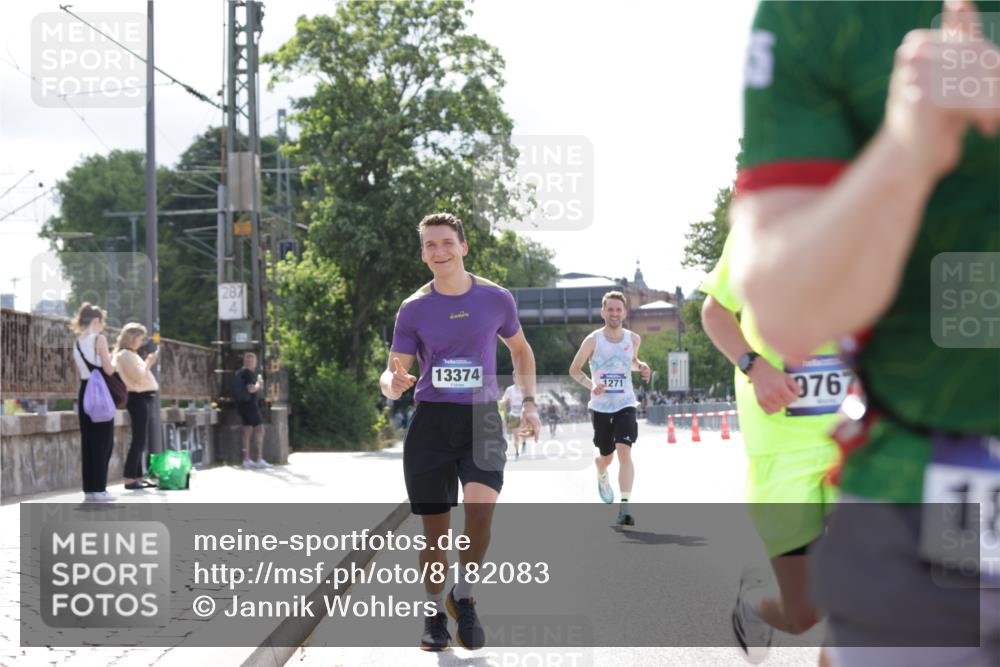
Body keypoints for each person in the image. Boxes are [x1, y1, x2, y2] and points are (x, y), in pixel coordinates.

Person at [731, 2, 1000, 665]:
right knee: (805, 611)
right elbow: (781, 314)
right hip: (924, 489)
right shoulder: (820, 18)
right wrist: (909, 148)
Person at [380, 212, 541, 652]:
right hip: (431, 421)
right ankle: (434, 613)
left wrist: (528, 402)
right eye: (430, 245)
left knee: (480, 518)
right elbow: (394, 371)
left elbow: (521, 351)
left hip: (482, 419)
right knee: (436, 535)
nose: (440, 251)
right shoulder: (413, 309)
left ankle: (464, 596)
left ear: (463, 247)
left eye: (447, 242)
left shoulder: (496, 299)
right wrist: (391, 383)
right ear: (422, 253)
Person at [702, 231, 845, 661]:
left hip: (858, 439)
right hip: (782, 441)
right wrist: (754, 366)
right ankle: (755, 603)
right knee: (803, 612)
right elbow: (715, 311)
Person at [569, 291, 651, 526]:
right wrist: (591, 384)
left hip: (625, 403)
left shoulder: (633, 339)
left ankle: (624, 508)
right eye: (610, 309)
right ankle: (601, 468)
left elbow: (631, 362)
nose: (614, 313)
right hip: (601, 407)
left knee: (624, 451)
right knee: (607, 456)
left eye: (618, 309)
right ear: (603, 312)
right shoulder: (593, 340)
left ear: (625, 313)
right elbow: (574, 370)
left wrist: (642, 366)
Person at [71, 303, 116, 503]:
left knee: (88, 442)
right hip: (99, 393)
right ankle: (100, 489)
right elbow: (108, 369)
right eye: (102, 322)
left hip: (84, 393)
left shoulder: (77, 342)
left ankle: (89, 489)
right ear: (96, 321)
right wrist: (113, 360)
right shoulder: (99, 339)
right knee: (103, 442)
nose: (102, 327)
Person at [112, 322, 160, 490]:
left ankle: (137, 476)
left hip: (141, 398)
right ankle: (130, 478)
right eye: (139, 339)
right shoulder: (125, 354)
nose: (141, 342)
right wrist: (149, 362)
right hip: (137, 397)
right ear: (131, 338)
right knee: (138, 439)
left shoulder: (131, 354)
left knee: (141, 439)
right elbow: (139, 377)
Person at [233, 352, 269, 469]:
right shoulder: (248, 373)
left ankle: (246, 460)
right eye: (250, 360)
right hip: (250, 406)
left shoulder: (239, 372)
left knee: (247, 430)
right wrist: (258, 385)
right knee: (260, 430)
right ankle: (259, 459)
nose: (251, 362)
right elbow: (251, 389)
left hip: (241, 406)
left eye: (253, 360)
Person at [501, 375, 525, 458]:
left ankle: (524, 441)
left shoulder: (524, 389)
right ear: (513, 378)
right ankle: (517, 451)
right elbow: (504, 398)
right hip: (514, 413)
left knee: (523, 432)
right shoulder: (509, 389)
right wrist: (502, 401)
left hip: (523, 413)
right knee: (516, 435)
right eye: (515, 377)